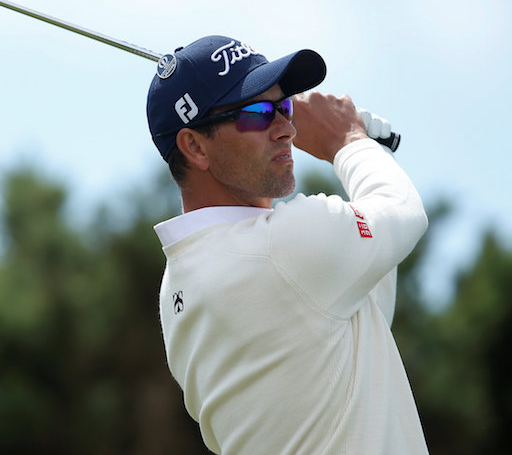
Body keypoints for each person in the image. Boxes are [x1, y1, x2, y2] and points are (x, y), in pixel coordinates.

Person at [146, 35, 429, 455]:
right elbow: (401, 212)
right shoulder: (281, 246)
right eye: (258, 114)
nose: (287, 129)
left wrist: (370, 149)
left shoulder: (177, 291)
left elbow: (365, 317)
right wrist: (349, 142)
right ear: (195, 146)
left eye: (284, 107)